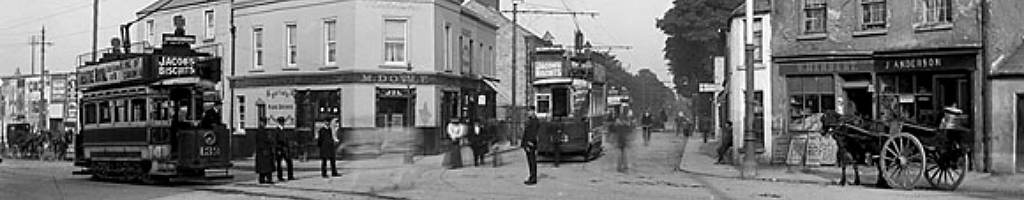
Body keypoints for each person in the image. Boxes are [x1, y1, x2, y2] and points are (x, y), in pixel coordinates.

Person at [274, 117, 296, 181]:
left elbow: (286, 139)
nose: (282, 123)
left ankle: (290, 175)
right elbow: (275, 140)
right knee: (279, 163)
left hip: (285, 148)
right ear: (279, 123)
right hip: (280, 148)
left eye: (283, 122)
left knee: (289, 162)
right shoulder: (276, 130)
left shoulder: (284, 130)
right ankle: (280, 177)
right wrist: (278, 149)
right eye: (281, 122)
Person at [255, 117, 276, 184]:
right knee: (266, 166)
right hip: (263, 150)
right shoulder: (260, 131)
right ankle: (265, 179)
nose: (264, 124)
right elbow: (261, 141)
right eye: (263, 122)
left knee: (265, 166)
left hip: (264, 150)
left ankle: (264, 178)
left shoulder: (264, 131)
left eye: (265, 123)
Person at [522, 108, 540, 185]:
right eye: (528, 111)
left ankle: (533, 178)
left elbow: (533, 133)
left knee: (532, 161)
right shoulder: (530, 120)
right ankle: (531, 176)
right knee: (530, 161)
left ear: (533, 112)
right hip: (527, 142)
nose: (528, 113)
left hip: (531, 143)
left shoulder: (534, 121)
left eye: (529, 111)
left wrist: (530, 142)